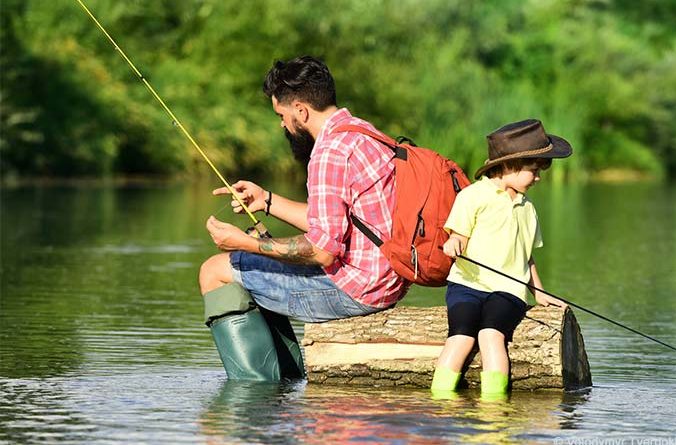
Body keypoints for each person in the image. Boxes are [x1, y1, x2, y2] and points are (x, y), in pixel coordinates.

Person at [198, 55, 409, 380]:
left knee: (214, 270)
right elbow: (333, 220)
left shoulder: (328, 153)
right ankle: (288, 379)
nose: (282, 124)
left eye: (281, 115)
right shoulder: (363, 133)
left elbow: (322, 251)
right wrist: (266, 200)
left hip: (358, 289)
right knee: (244, 266)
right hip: (385, 280)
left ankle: (255, 398)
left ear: (301, 110)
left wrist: (245, 244)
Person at [430, 119, 571, 396]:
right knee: (459, 338)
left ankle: (494, 413)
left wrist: (539, 293)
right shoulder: (473, 196)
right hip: (466, 286)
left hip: (508, 291)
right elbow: (459, 236)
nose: (539, 178)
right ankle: (441, 403)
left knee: (490, 335)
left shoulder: (527, 209)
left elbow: (527, 257)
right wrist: (453, 243)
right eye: (533, 171)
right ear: (509, 166)